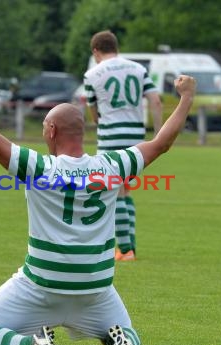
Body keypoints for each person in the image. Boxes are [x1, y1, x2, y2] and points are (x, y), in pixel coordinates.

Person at [0, 60, 196, 345]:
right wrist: (186, 97)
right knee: (128, 333)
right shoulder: (113, 166)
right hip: (95, 289)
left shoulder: (39, 167)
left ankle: (33, 343)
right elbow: (161, 143)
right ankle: (119, 340)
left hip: (42, 286)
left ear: (51, 130)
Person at [84, 30, 162, 261]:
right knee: (125, 189)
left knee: (114, 191)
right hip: (136, 136)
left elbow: (94, 114)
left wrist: (98, 118)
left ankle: (126, 249)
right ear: (116, 47)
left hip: (110, 137)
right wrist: (157, 136)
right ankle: (129, 246)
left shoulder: (92, 74)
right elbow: (155, 100)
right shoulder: (139, 69)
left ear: (96, 51)